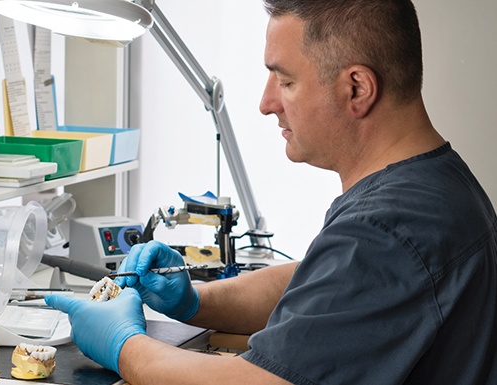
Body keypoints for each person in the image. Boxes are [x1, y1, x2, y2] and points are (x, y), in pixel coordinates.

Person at [46, 0, 497, 384]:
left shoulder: (387, 230)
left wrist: (124, 346)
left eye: (285, 81)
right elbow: (326, 288)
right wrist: (195, 301)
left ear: (357, 88)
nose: (266, 103)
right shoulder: (433, 185)